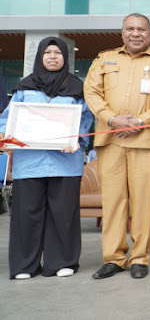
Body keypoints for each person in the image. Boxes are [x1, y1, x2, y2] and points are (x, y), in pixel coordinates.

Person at [84, 13, 150, 280]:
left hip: (147, 141)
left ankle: (140, 258)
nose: (135, 33)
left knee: (145, 203)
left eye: (141, 29)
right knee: (113, 202)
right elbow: (91, 91)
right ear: (122, 32)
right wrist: (112, 119)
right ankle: (114, 258)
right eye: (130, 29)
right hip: (111, 139)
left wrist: (141, 120)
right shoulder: (104, 59)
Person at [0, 37, 93, 279]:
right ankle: (24, 266)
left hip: (66, 164)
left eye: (58, 53)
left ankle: (63, 262)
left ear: (66, 57)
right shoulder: (24, 88)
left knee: (63, 215)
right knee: (26, 215)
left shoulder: (77, 88)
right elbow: (8, 119)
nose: (53, 56)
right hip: (29, 164)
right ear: (40, 56)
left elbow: (85, 119)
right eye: (47, 52)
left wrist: (76, 140)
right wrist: (6, 136)